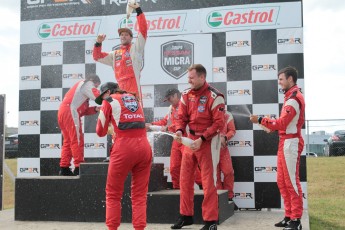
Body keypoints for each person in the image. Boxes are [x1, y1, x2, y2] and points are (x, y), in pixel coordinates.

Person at [249, 66, 305, 230]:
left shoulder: (294, 98)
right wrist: (268, 125)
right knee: (282, 181)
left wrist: (261, 119)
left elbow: (282, 123)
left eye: (281, 79)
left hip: (291, 143)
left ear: (290, 79)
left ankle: (296, 220)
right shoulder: (290, 97)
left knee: (291, 182)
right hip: (285, 141)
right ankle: (288, 216)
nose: (279, 83)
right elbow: (282, 126)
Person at [172, 64, 225, 230]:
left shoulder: (215, 96)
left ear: (202, 77)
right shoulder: (186, 94)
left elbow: (219, 123)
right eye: (188, 78)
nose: (188, 80)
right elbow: (181, 117)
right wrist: (180, 131)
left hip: (208, 141)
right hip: (190, 140)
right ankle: (186, 216)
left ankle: (210, 221)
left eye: (192, 78)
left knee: (208, 182)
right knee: (185, 179)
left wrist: (202, 139)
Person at [95, 82, 152, 230]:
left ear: (107, 92)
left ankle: (112, 228)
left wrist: (108, 124)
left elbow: (99, 131)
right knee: (139, 195)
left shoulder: (108, 101)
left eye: (102, 96)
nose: (102, 100)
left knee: (113, 193)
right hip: (145, 147)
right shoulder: (134, 98)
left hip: (124, 148)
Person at [93, 2, 147, 101]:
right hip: (120, 89)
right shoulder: (115, 54)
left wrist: (138, 10)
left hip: (134, 87)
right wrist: (98, 43)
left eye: (126, 34)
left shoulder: (136, 48)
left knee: (136, 114)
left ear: (131, 38)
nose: (123, 36)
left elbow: (143, 30)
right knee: (122, 115)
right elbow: (97, 57)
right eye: (121, 34)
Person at [58, 74, 101, 176]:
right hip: (70, 112)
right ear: (93, 81)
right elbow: (97, 96)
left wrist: (95, 109)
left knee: (68, 141)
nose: (95, 88)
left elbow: (83, 110)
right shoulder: (87, 84)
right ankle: (79, 167)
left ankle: (64, 168)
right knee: (77, 140)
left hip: (63, 112)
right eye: (96, 86)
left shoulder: (80, 91)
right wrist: (110, 98)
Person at [145, 88, 183, 189]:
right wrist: (151, 124)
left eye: (170, 98)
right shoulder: (171, 108)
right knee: (174, 168)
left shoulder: (185, 105)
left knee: (193, 170)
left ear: (175, 95)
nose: (169, 101)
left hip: (187, 139)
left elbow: (182, 123)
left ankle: (204, 193)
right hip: (176, 140)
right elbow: (164, 121)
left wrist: (168, 127)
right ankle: (176, 191)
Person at [217, 111, 236, 202]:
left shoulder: (228, 114)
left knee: (228, 172)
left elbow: (232, 130)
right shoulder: (207, 113)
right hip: (210, 150)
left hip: (223, 150)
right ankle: (219, 198)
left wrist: (225, 137)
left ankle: (229, 197)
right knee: (214, 176)